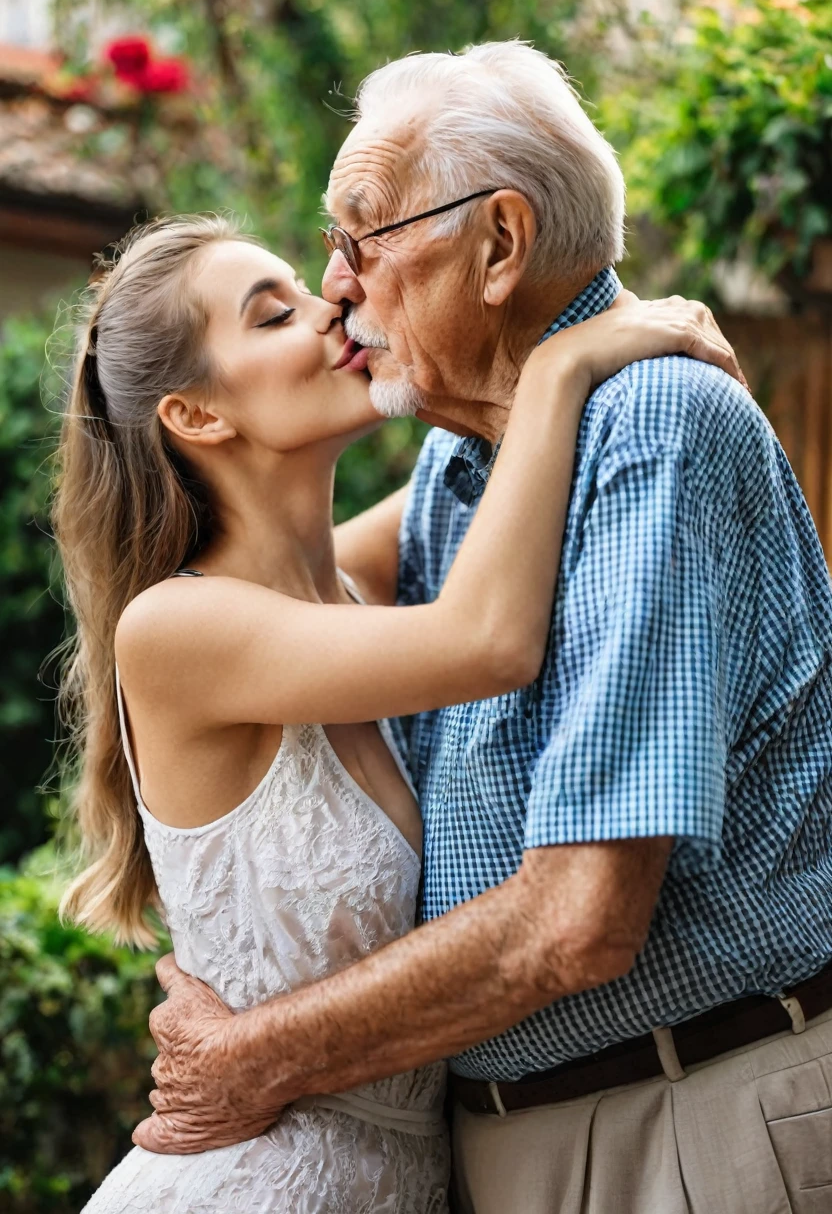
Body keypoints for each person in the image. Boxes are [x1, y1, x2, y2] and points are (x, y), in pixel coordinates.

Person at [136, 44, 832, 1214]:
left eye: (360, 237)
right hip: (504, 1146)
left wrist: (254, 1055)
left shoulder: (650, 431)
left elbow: (580, 915)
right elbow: (272, 571)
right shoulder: (467, 466)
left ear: (499, 243)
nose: (336, 286)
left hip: (685, 1115)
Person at [54, 214, 722, 1212]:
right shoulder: (177, 631)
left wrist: (605, 342)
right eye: (274, 314)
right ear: (196, 416)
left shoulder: (349, 584)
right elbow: (490, 638)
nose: (334, 308)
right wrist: (566, 363)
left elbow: (504, 471)